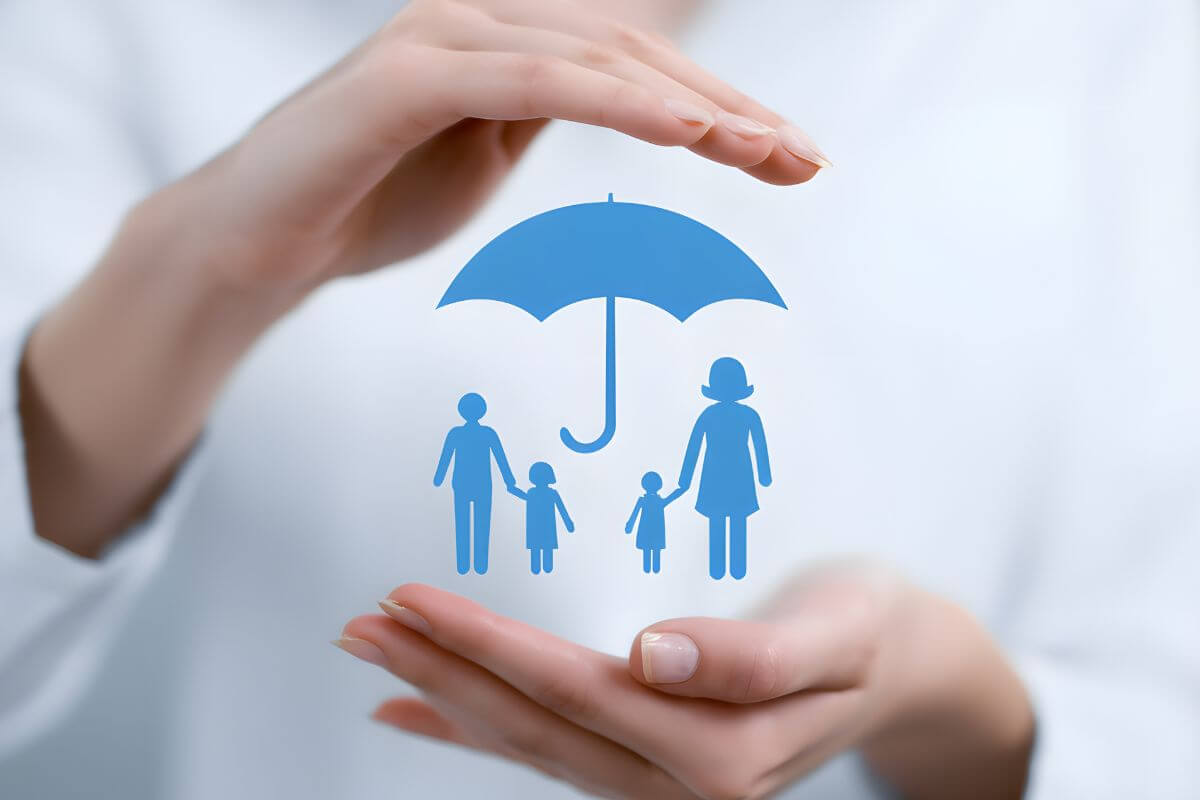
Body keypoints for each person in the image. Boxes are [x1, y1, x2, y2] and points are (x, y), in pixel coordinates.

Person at [2, 2, 1199, 799]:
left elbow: (1163, 714)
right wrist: (212, 264)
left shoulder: (1122, 48)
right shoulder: (104, 25)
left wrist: (947, 692)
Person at [676, 357, 771, 580]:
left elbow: (694, 448)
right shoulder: (745, 415)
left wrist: (685, 479)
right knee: (730, 519)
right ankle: (729, 569)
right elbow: (759, 446)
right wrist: (764, 475)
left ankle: (725, 569)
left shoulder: (713, 414)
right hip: (732, 472)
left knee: (725, 519)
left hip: (721, 472)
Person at [433, 392, 516, 575]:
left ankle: (466, 565)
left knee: (464, 522)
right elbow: (500, 459)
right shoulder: (485, 433)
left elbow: (446, 458)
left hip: (467, 484)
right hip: (478, 484)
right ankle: (479, 565)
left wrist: (439, 478)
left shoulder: (460, 433)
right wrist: (509, 481)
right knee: (480, 523)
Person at [508, 461, 574, 575]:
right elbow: (561, 509)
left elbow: (561, 508)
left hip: (541, 528)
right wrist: (568, 523)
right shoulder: (536, 493)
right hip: (540, 528)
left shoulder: (547, 493)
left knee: (541, 552)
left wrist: (568, 522)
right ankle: (540, 568)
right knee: (538, 552)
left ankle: (542, 568)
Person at [624, 471, 684, 573]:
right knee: (652, 551)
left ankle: (652, 568)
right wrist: (682, 489)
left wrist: (630, 525)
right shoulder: (655, 501)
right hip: (654, 531)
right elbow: (672, 497)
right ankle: (652, 568)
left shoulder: (654, 501)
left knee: (651, 551)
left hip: (648, 530)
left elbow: (634, 514)